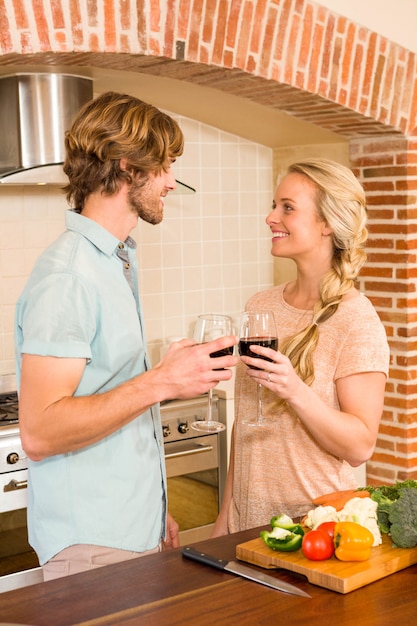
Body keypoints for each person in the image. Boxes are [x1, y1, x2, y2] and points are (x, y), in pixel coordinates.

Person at [14, 91, 238, 580]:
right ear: (126, 167)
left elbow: (110, 399)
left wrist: (153, 509)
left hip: (127, 530)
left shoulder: (115, 259)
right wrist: (162, 381)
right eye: (164, 167)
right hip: (93, 544)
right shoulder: (69, 276)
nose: (171, 183)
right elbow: (39, 431)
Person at [212, 158, 390, 535]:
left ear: (327, 223)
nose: (271, 217)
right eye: (274, 205)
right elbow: (245, 424)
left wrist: (295, 390)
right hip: (247, 527)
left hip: (315, 530)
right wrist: (225, 517)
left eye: (287, 208)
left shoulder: (356, 319)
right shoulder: (260, 307)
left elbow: (360, 446)